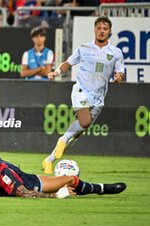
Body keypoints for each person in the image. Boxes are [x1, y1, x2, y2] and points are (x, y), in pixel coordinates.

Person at [42, 16, 125, 174]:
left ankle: (49, 160)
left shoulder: (116, 53)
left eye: (105, 28)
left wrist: (118, 78)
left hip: (99, 97)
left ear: (110, 31)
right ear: (94, 29)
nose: (102, 31)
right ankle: (62, 139)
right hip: (81, 91)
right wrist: (57, 71)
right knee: (84, 122)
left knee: (76, 135)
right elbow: (68, 62)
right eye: (99, 27)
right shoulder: (84, 48)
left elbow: (120, 72)